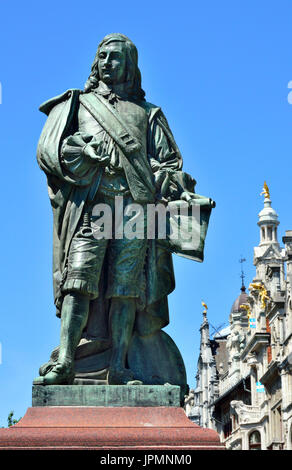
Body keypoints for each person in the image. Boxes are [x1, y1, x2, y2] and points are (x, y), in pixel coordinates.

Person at [35, 33, 211, 386]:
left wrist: (161, 176)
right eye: (101, 56)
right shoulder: (79, 105)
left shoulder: (148, 114)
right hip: (93, 208)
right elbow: (49, 152)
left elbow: (171, 164)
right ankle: (67, 361)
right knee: (77, 281)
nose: (106, 63)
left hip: (135, 212)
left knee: (126, 288)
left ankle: (119, 366)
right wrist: (80, 153)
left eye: (115, 57)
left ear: (130, 65)